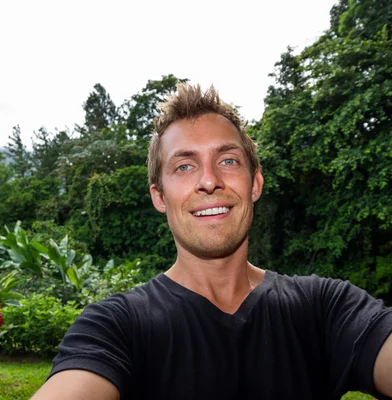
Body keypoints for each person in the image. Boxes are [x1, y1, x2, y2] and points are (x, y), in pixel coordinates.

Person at [32, 84, 392, 399]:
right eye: (184, 166)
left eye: (229, 160)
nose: (209, 180)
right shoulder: (116, 327)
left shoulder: (325, 308)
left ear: (255, 185)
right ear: (159, 196)